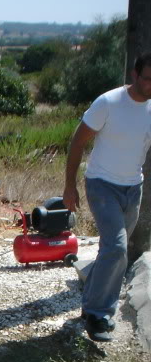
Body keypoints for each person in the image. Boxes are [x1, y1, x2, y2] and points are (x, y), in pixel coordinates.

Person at [63, 52, 151, 342]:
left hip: (133, 188)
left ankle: (90, 303)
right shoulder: (108, 103)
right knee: (117, 247)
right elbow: (78, 141)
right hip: (102, 184)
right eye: (148, 79)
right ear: (135, 75)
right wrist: (69, 186)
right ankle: (100, 314)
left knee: (111, 250)